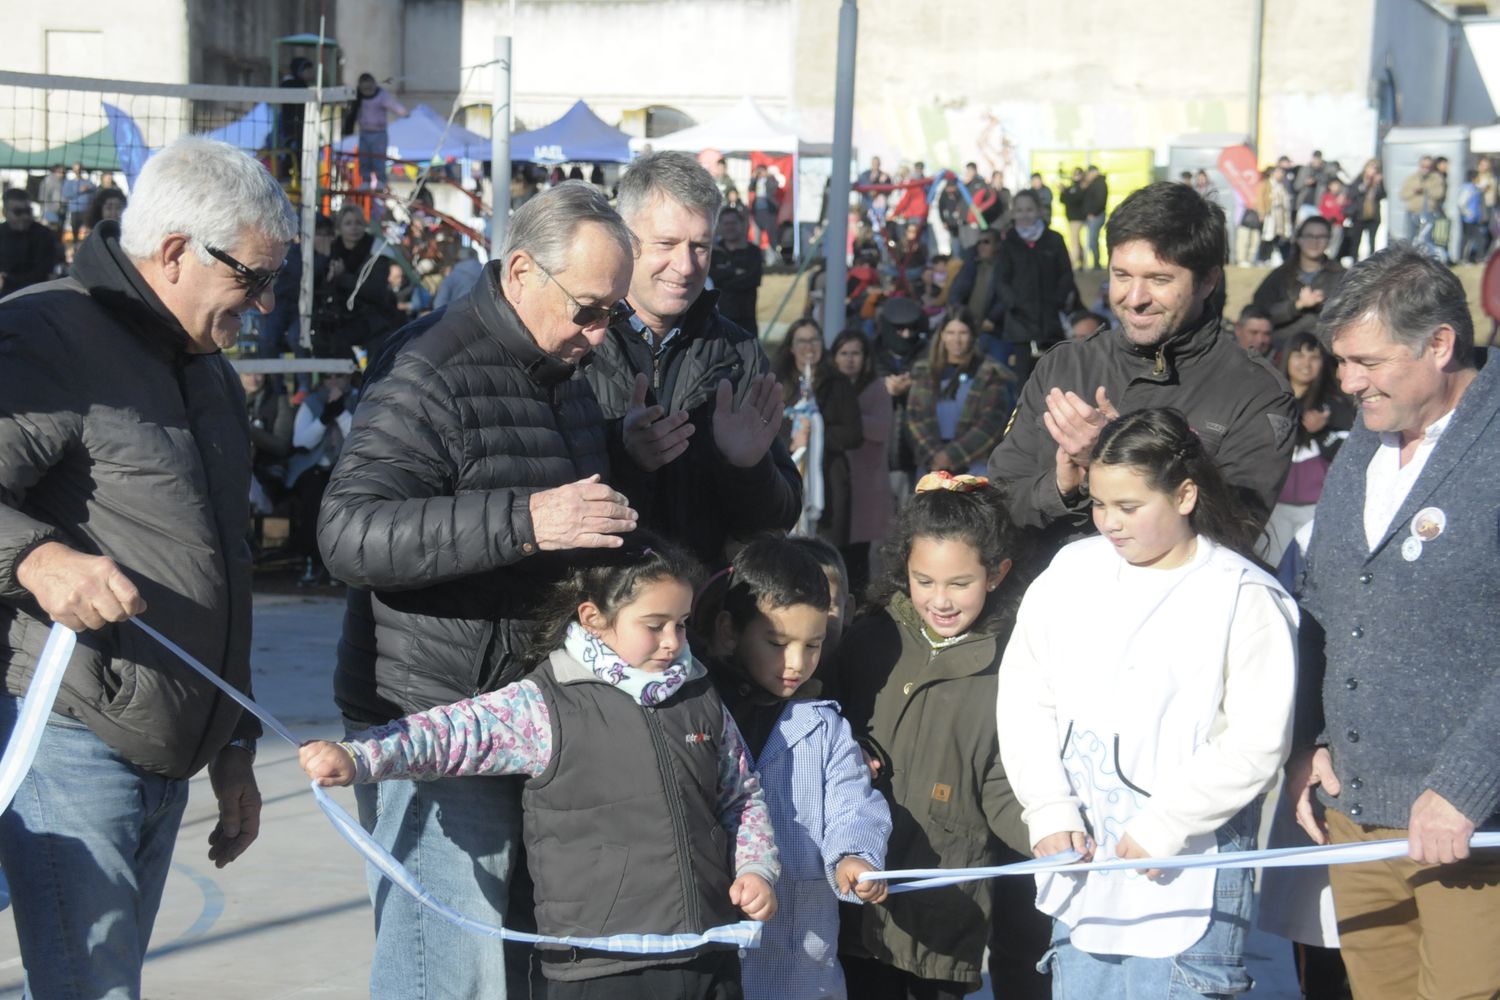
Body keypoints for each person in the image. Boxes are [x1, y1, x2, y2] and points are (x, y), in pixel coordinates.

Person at [317, 181, 641, 1000]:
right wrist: (527, 519)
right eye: (589, 311)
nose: (600, 336)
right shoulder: (431, 367)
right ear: (523, 270)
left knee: (507, 967)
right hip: (431, 722)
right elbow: (349, 534)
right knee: (444, 973)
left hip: (528, 719)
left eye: (613, 316)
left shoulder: (564, 371)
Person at [0, 135, 294, 998]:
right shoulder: (42, 338)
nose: (264, 307)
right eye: (252, 279)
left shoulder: (200, 363)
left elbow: (226, 565)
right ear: (174, 253)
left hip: (172, 741)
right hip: (73, 739)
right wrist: (40, 558)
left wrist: (234, 741)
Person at [301, 538, 781, 999]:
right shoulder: (543, 703)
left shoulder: (699, 695)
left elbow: (740, 795)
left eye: (681, 623)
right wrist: (359, 756)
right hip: (600, 965)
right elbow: (447, 734)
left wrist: (757, 868)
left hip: (707, 950)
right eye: (654, 625)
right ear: (593, 618)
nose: (673, 642)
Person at [998, 407, 1297, 997]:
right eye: (1099, 504)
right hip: (1084, 865)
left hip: (1188, 866)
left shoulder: (1241, 594)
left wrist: (1169, 823)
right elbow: (1026, 696)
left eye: (1129, 507)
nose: (1109, 523)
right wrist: (1048, 809)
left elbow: (1256, 739)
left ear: (1184, 495)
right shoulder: (1071, 571)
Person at [1284, 243, 1500, 1000]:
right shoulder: (1364, 450)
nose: (1346, 382)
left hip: (1471, 833)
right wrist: (1308, 740)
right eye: (1342, 362)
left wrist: (1470, 785)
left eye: (1366, 362)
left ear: (1440, 344)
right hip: (1357, 819)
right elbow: (1325, 603)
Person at [989, 181, 1297, 558]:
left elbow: (1234, 533)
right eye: (1121, 276)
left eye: (1158, 279)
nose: (1135, 299)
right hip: (1051, 605)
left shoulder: (1255, 392)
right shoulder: (1065, 365)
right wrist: (1059, 487)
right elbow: (999, 503)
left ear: (1208, 281)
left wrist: (1124, 457)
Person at [825, 475, 1040, 999]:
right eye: (924, 581)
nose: (940, 600)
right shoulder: (871, 639)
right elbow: (825, 730)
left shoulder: (1014, 662)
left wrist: (1051, 835)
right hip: (858, 895)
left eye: (959, 583)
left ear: (997, 574)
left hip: (945, 904)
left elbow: (1003, 784)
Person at [583, 151, 800, 568]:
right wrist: (624, 457)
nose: (685, 266)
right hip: (597, 602)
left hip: (699, 611)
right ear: (626, 240)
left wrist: (748, 468)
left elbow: (778, 517)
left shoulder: (738, 352)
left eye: (700, 246)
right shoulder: (575, 340)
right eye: (667, 244)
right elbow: (538, 494)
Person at [696, 537, 891, 1000]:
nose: (797, 664)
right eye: (778, 643)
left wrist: (854, 856)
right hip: (713, 942)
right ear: (729, 631)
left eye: (813, 646)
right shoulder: (697, 717)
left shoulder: (823, 726)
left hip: (800, 952)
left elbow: (852, 803)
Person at [1261, 331, 1354, 565]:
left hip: (1316, 510)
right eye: (1299, 355)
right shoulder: (1268, 399)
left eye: (1313, 357)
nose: (1306, 364)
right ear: (1286, 359)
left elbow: (1350, 458)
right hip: (1272, 507)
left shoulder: (1337, 405)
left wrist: (1321, 433)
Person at [774, 318, 864, 544]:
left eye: (814, 340)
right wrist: (791, 440)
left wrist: (817, 433)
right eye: (802, 341)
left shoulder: (838, 383)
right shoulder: (777, 383)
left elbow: (854, 433)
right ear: (791, 347)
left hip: (830, 479)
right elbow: (765, 427)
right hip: (787, 475)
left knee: (825, 550)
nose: (808, 346)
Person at [907, 308, 1016, 478]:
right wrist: (935, 457)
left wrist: (951, 456)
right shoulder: (924, 373)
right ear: (942, 335)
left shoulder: (990, 374)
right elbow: (915, 418)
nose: (956, 340)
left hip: (974, 466)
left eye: (963, 333)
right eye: (950, 332)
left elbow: (990, 423)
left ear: (972, 335)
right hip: (931, 466)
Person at [830, 329, 893, 598]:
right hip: (836, 478)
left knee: (858, 555)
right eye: (844, 353)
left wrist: (847, 419)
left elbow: (881, 429)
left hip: (867, 482)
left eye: (855, 353)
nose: (849, 360)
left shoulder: (876, 387)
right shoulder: (829, 386)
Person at [995, 188, 1079, 382]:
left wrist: (1058, 299)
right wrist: (1013, 304)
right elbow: (1001, 279)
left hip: (1050, 320)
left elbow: (1066, 273)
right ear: (1013, 213)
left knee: (1055, 378)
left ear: (1039, 210)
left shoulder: (1054, 239)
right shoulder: (1008, 243)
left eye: (1030, 210)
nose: (1025, 215)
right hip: (1020, 323)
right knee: (1024, 380)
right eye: (1020, 210)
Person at [315, 202, 403, 358]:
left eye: (358, 223)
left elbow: (374, 290)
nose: (354, 228)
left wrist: (342, 277)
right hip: (341, 316)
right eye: (348, 223)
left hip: (373, 317)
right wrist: (330, 280)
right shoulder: (332, 251)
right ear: (339, 227)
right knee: (326, 340)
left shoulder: (376, 251)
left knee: (379, 346)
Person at [1251, 215, 1344, 354]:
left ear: (1329, 240)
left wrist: (1323, 306)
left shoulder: (1341, 276)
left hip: (1324, 353)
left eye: (1321, 237)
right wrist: (1297, 305)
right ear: (1299, 239)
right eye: (1309, 236)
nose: (1315, 242)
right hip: (1282, 350)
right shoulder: (1280, 276)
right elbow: (1260, 312)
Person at [871, 296, 929, 504]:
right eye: (900, 330)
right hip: (874, 456)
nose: (906, 336)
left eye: (911, 330)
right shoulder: (869, 354)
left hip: (913, 454)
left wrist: (914, 385)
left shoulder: (926, 354)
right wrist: (881, 387)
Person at [242, 370, 295, 518]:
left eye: (258, 373)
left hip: (269, 469)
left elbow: (282, 446)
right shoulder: (229, 400)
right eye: (247, 374)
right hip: (238, 468)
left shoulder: (279, 400)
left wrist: (248, 429)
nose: (253, 379)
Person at [347, 72, 408, 190]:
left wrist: (404, 113)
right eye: (364, 89)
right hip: (364, 133)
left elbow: (394, 105)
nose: (367, 91)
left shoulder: (382, 95)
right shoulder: (358, 97)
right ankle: (365, 180)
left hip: (379, 133)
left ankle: (381, 180)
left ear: (374, 84)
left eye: (369, 88)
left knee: (378, 158)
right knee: (364, 158)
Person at [710, 205, 763, 334]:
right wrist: (733, 272)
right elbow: (710, 277)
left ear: (741, 224)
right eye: (726, 223)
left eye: (733, 223)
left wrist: (722, 279)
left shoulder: (753, 252)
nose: (730, 227)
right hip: (718, 319)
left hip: (746, 320)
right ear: (720, 226)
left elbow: (753, 279)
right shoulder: (713, 253)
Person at [946, 228, 1005, 342]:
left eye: (986, 242)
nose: (981, 246)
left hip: (994, 330)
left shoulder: (1005, 268)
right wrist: (960, 316)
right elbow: (955, 293)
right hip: (968, 327)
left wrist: (992, 319)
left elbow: (1005, 299)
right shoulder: (970, 266)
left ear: (998, 245)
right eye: (979, 242)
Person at [0, 188, 62, 294]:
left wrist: (9, 279)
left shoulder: (44, 234)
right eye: (18, 212)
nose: (25, 216)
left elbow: (44, 272)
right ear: (5, 213)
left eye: (28, 211)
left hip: (36, 294)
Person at [1344, 159, 1384, 262]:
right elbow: (1351, 193)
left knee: (1372, 241)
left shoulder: (1378, 181)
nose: (1372, 171)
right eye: (1371, 167)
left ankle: (1372, 262)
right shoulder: (1360, 179)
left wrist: (1377, 185)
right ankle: (1354, 261)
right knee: (1356, 241)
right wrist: (1364, 185)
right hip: (1359, 216)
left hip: (1373, 216)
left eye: (1375, 168)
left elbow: (1383, 195)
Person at [1399, 155, 1445, 242]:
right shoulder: (1411, 178)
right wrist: (1414, 191)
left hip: (1428, 213)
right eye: (1423, 166)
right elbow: (1403, 194)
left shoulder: (1436, 178)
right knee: (1409, 238)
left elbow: (1439, 194)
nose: (1425, 169)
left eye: (1428, 167)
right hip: (1412, 213)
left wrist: (1426, 190)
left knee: (1424, 240)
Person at [750, 163, 781, 260]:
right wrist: (754, 178)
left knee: (771, 235)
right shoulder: (757, 181)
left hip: (768, 212)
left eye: (761, 170)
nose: (760, 173)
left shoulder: (770, 180)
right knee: (757, 237)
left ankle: (774, 258)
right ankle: (755, 257)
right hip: (758, 212)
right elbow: (750, 188)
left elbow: (774, 187)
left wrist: (767, 176)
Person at [1459, 168, 1489, 263]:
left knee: (1477, 238)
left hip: (1474, 219)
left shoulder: (1473, 188)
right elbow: (1461, 203)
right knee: (1469, 240)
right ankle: (1464, 259)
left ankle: (1476, 258)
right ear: (1474, 178)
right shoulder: (1468, 189)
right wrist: (1468, 213)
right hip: (1469, 219)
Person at [1060, 167, 1088, 269]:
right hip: (1072, 218)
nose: (1075, 176)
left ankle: (1073, 263)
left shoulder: (1081, 187)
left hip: (1077, 218)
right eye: (1074, 174)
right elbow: (1063, 200)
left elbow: (1075, 199)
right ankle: (1082, 261)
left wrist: (1066, 192)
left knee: (1074, 241)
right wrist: (1063, 191)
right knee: (1076, 240)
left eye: (1078, 174)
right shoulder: (1072, 187)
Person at [1081, 165, 1109, 269]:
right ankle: (1095, 263)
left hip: (1096, 216)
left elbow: (1100, 200)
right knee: (1092, 240)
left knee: (1093, 240)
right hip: (1094, 215)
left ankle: (1096, 263)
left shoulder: (1100, 183)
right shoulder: (1095, 183)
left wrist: (1093, 212)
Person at [63, 161, 95, 244]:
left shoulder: (87, 181)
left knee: (87, 231)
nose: (78, 171)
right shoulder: (69, 182)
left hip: (86, 210)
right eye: (76, 169)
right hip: (75, 210)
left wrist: (88, 188)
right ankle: (75, 246)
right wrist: (79, 190)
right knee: (75, 231)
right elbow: (67, 194)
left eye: (79, 169)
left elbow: (94, 189)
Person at [38, 163, 66, 233]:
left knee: (59, 231)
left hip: (62, 210)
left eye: (63, 172)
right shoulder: (48, 181)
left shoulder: (64, 181)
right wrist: (48, 208)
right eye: (60, 172)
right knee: (52, 230)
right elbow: (44, 197)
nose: (62, 174)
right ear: (54, 172)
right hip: (51, 211)